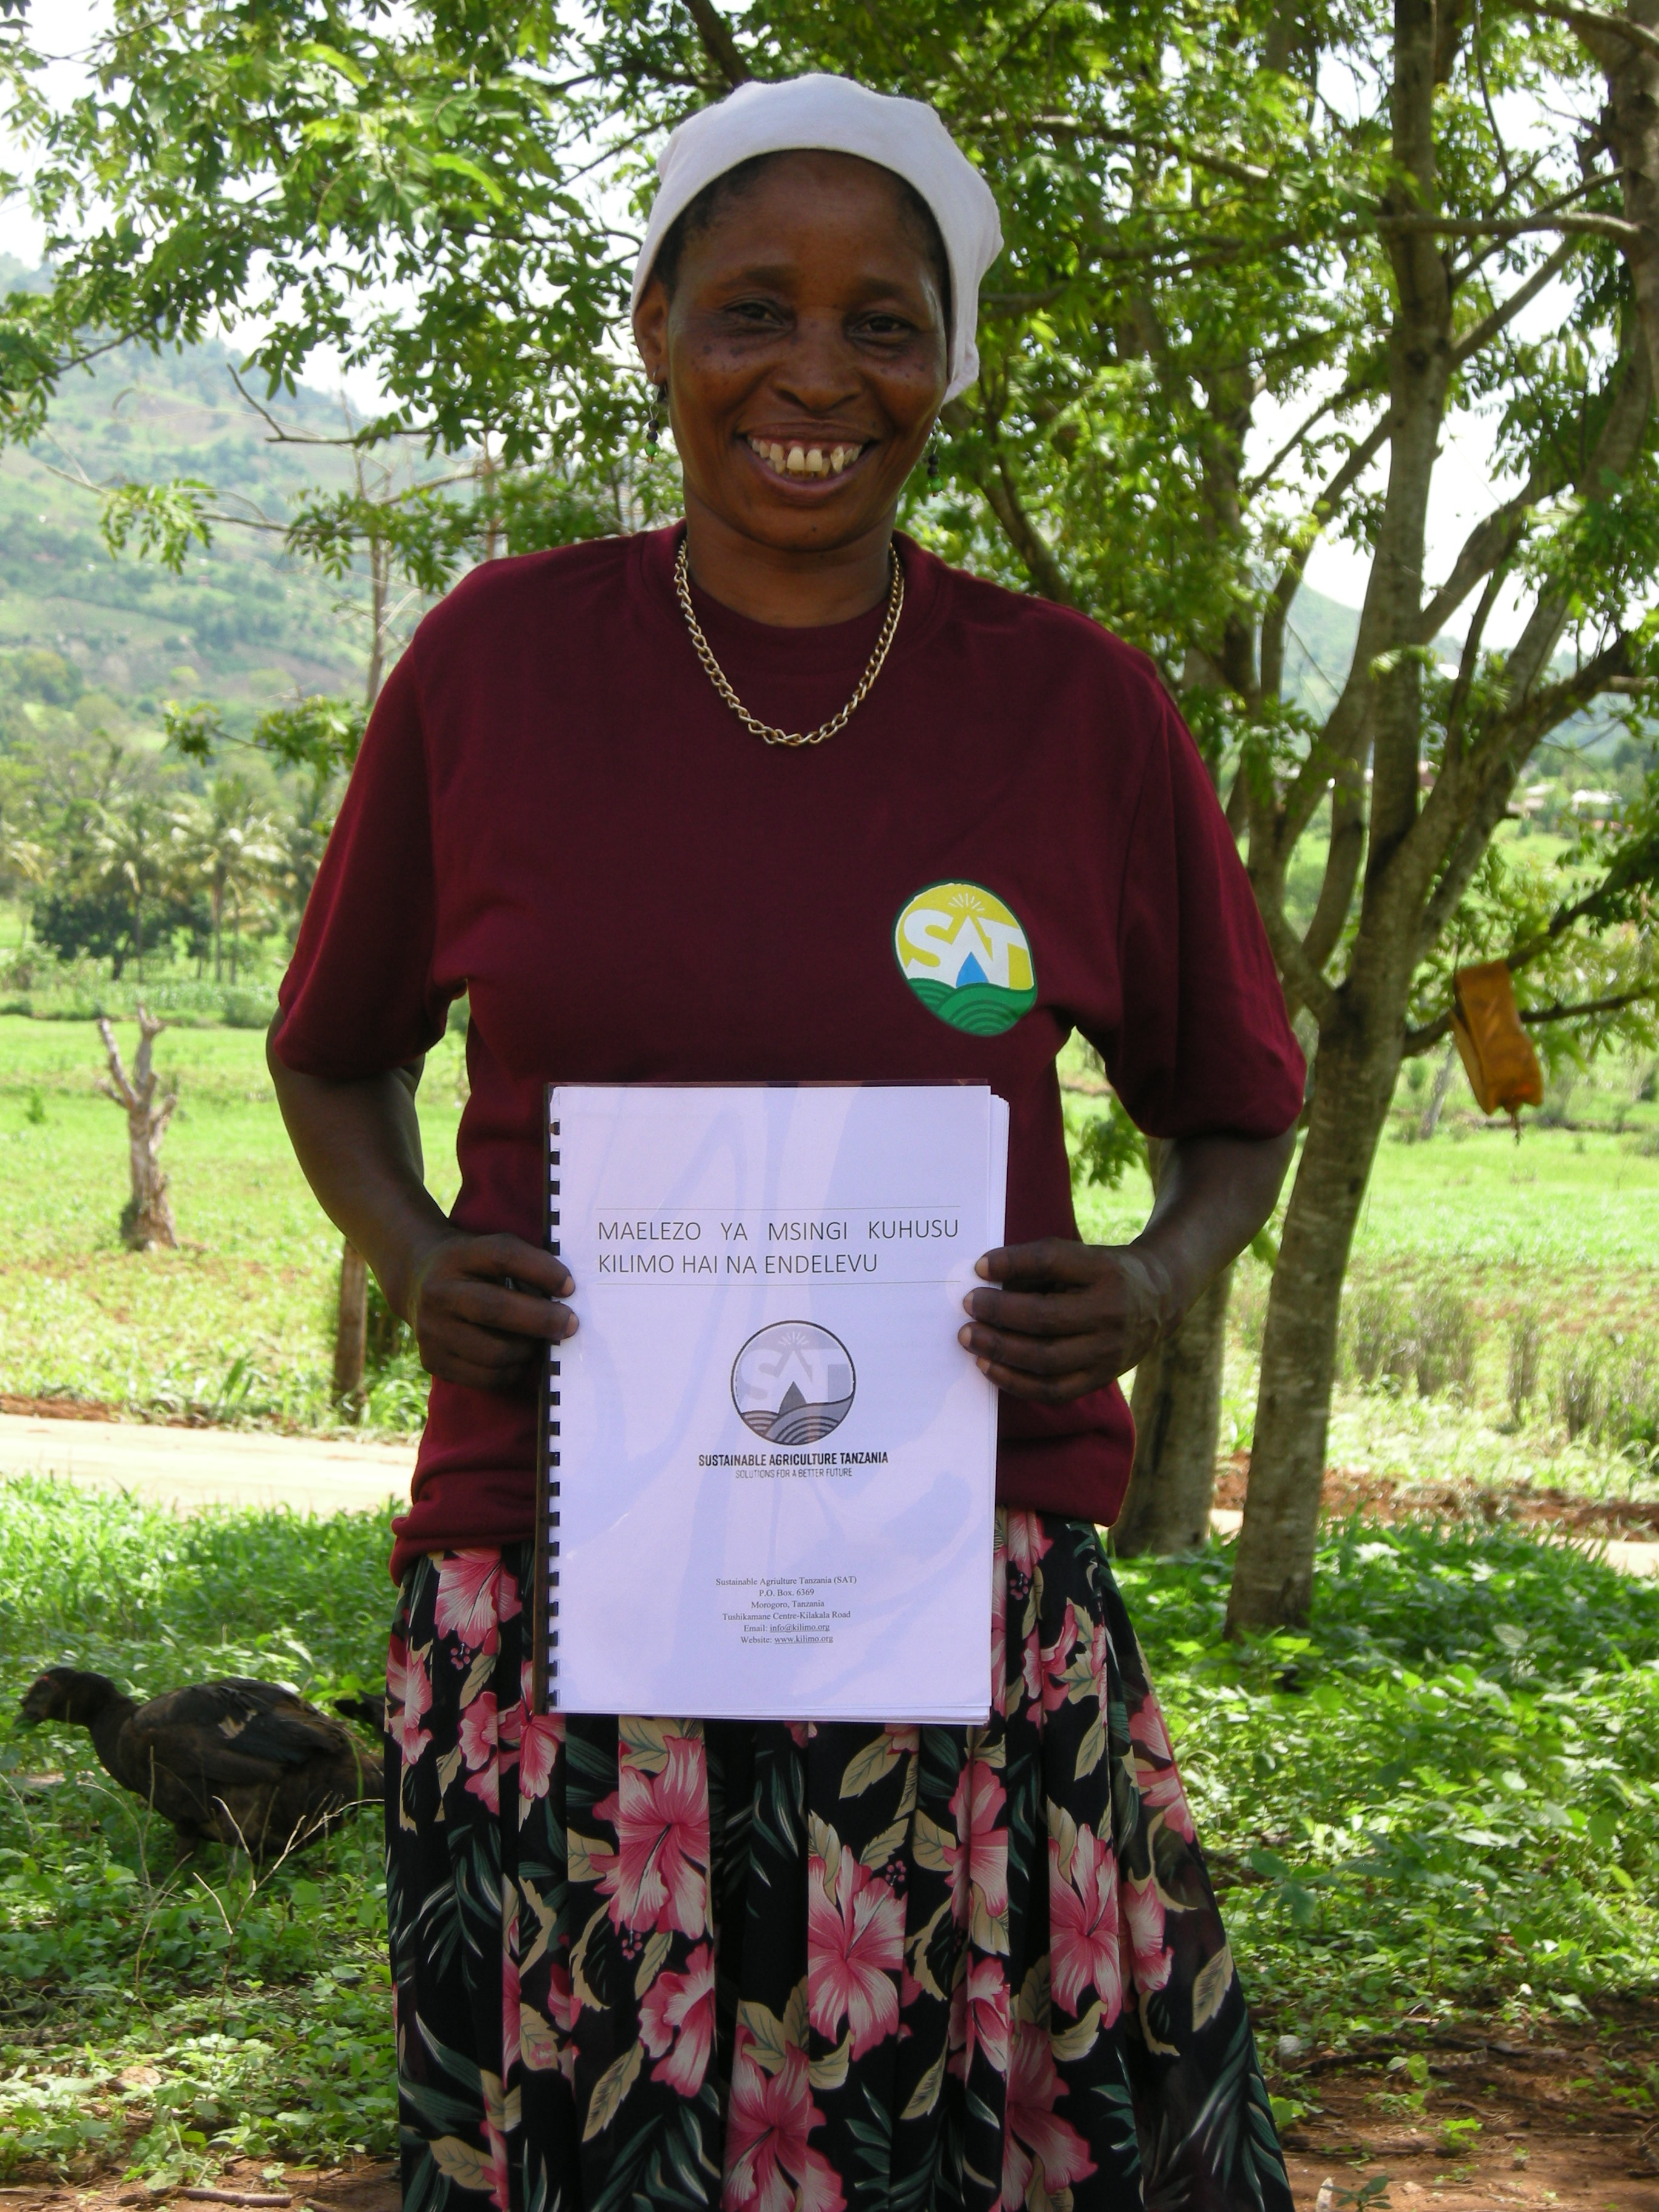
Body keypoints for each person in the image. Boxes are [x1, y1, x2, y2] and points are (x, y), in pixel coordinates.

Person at [270, 72, 1304, 2212]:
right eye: (755, 308)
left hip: (959, 1596)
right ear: (656, 327)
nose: (816, 376)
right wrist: (416, 1254)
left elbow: (1234, 1107)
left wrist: (1147, 1280)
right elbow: (334, 1055)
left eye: (883, 324)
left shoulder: (1077, 709)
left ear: (950, 363)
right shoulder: (494, 668)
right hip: (560, 1575)